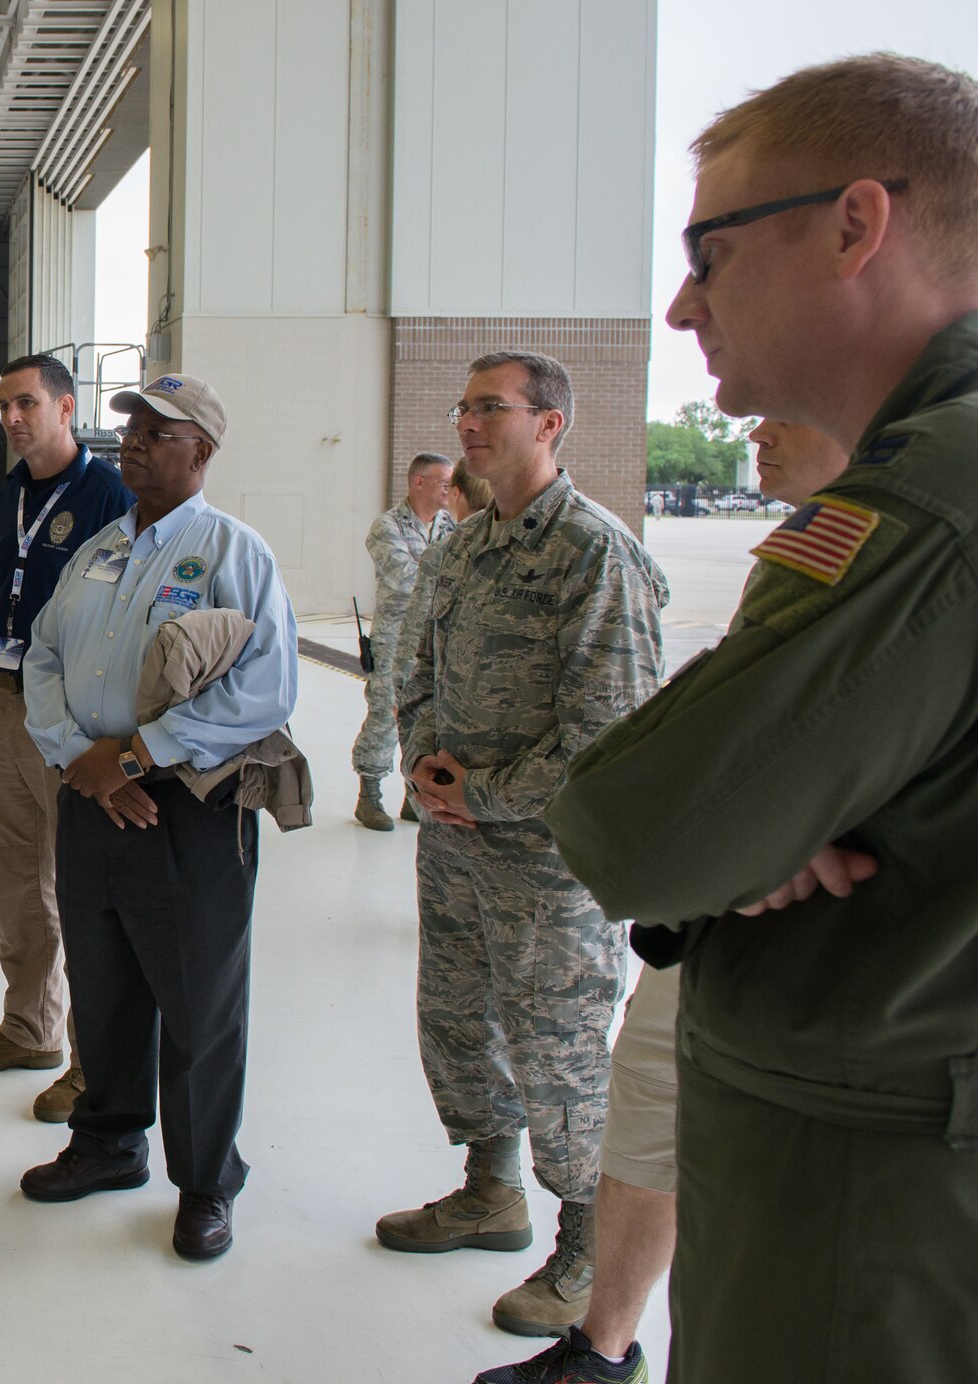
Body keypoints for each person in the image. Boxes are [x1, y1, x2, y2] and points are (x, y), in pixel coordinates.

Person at [544, 54, 978, 1381]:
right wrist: (749, 821)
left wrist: (736, 826)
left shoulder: (924, 508)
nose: (681, 305)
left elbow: (638, 824)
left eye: (711, 252)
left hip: (867, 1188)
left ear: (858, 224)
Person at [475, 418, 850, 1384]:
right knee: (643, 1111)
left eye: (787, 415)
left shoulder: (900, 557)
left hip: (812, 929)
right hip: (711, 908)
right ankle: (602, 1347)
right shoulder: (799, 554)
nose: (759, 432)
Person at [382, 351, 667, 1337]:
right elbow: (411, 664)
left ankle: (587, 1250)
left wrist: (487, 794)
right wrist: (424, 766)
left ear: (548, 425)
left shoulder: (594, 550)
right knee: (456, 1024)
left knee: (558, 1056)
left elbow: (614, 729)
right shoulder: (459, 545)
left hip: (546, 862)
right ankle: (488, 1194)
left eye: (489, 407)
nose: (466, 422)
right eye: (460, 406)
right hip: (454, 846)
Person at [17, 373, 298, 1262]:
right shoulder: (99, 548)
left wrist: (137, 755)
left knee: (197, 1002)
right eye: (130, 426)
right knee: (104, 984)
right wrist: (83, 761)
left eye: (156, 431)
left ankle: (207, 1181)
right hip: (94, 799)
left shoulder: (231, 553)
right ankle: (107, 1142)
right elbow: (44, 656)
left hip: (187, 809)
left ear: (201, 454)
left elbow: (267, 688)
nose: (132, 441)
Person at [0, 353, 131, 1122]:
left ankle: (94, 1066)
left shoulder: (107, 496)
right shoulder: (14, 488)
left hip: (65, 716)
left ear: (66, 405)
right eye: (3, 406)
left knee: (80, 888)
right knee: (13, 878)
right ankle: (29, 1028)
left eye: (26, 404)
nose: (13, 419)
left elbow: (115, 619)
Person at [352, 452, 453, 831]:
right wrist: (443, 576)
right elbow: (407, 580)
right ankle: (370, 793)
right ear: (419, 482)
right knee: (384, 714)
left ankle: (415, 794)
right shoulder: (387, 527)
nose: (449, 489)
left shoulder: (451, 526)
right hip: (394, 642)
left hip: (435, 640)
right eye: (443, 482)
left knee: (429, 717)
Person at [389, 459, 493, 824]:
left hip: (453, 725)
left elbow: (418, 639)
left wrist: (401, 692)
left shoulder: (448, 551)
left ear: (458, 494)